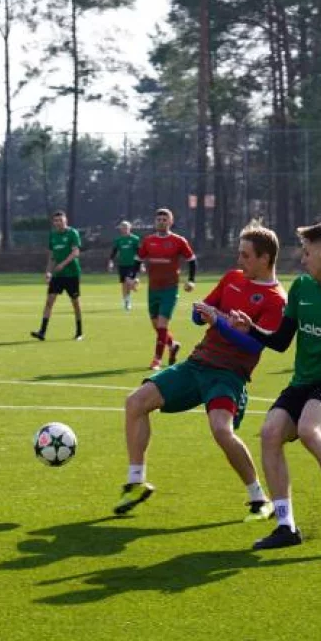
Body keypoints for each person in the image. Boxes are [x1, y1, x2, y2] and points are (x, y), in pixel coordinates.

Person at [113, 223, 288, 523]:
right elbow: (202, 310)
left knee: (222, 430)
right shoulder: (232, 278)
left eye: (246, 255)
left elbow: (254, 344)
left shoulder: (275, 299)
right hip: (197, 363)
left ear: (265, 258)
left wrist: (219, 322)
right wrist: (202, 313)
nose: (239, 261)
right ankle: (136, 481)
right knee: (135, 403)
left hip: (228, 375)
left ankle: (259, 497)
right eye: (239, 254)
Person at [223, 221, 321, 550]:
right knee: (269, 433)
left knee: (310, 430)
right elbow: (280, 341)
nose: (302, 259)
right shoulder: (302, 289)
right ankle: (285, 526)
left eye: (307, 252)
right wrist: (251, 328)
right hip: (301, 384)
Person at [136, 208, 197, 370]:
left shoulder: (178, 241)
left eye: (165, 219)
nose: (162, 222)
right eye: (159, 219)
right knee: (156, 325)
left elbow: (192, 260)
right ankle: (172, 344)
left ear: (171, 222)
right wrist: (133, 277)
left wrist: (191, 280)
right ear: (155, 222)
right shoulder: (148, 241)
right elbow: (138, 259)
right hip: (153, 289)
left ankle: (157, 359)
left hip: (170, 289)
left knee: (162, 324)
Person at [31, 210, 84, 341]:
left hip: (71, 274)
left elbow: (76, 252)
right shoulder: (53, 235)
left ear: (65, 220)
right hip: (57, 275)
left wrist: (63, 264)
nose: (58, 223)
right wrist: (48, 271)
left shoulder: (72, 233)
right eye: (55, 221)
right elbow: (52, 256)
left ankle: (79, 332)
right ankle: (42, 332)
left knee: (75, 303)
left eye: (60, 220)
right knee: (49, 302)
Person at [107, 221, 142, 312]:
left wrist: (142, 264)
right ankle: (126, 301)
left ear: (130, 228)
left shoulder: (135, 239)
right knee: (124, 284)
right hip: (122, 264)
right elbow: (114, 252)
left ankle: (135, 284)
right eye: (123, 227)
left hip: (132, 264)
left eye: (126, 227)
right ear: (120, 229)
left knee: (128, 282)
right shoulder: (118, 240)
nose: (124, 229)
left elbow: (139, 253)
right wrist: (111, 262)